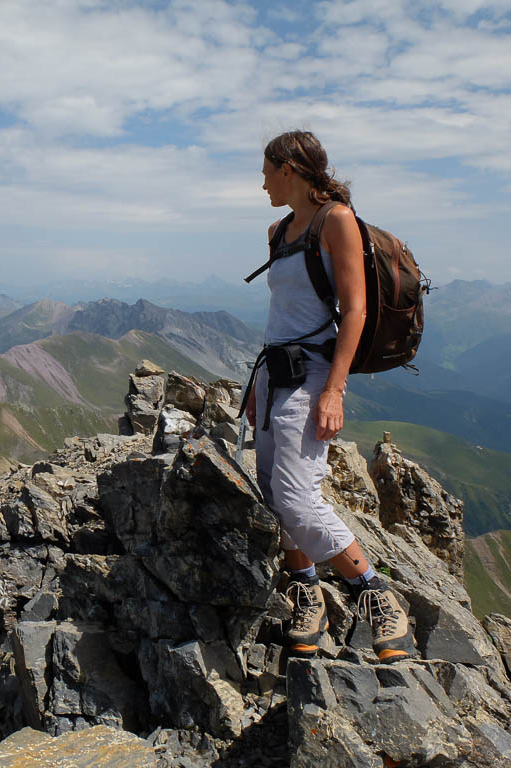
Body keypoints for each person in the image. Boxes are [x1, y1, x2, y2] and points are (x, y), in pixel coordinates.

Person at [246, 130, 415, 663]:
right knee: (274, 495)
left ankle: (376, 595)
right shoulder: (278, 230)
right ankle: (307, 594)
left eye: (268, 170)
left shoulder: (336, 221)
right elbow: (284, 313)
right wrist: (258, 384)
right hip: (274, 373)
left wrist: (335, 389)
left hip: (314, 375)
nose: (263, 181)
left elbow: (356, 310)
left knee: (297, 497)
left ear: (290, 169)